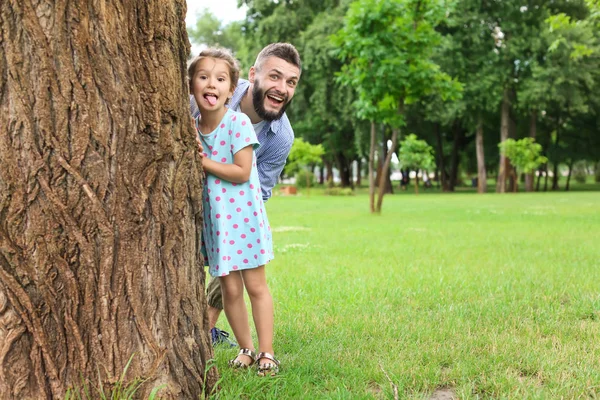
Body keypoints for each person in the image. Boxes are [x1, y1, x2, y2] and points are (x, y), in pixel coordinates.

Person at [190, 43, 302, 348]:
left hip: (233, 213)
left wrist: (227, 228)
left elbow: (258, 192)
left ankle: (206, 332)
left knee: (235, 272)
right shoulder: (210, 91)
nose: (282, 88)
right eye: (275, 77)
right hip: (191, 206)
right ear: (252, 75)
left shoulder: (281, 137)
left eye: (291, 82)